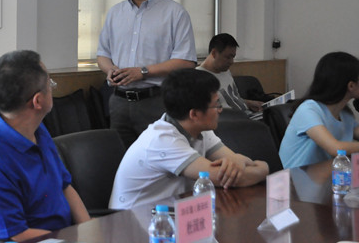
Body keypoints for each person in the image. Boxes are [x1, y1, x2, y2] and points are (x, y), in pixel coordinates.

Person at [0, 50, 90, 242]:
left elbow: (64, 186)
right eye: (50, 84)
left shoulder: (37, 130)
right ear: (38, 101)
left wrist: (89, 229)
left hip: (65, 236)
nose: (52, 88)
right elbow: (16, 235)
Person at [109, 68, 269, 210]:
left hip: (170, 212)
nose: (220, 110)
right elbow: (226, 178)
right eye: (216, 105)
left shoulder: (198, 128)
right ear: (194, 114)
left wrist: (239, 162)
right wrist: (264, 167)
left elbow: (235, 165)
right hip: (132, 221)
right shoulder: (163, 140)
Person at [97, 0, 197, 147]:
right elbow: (103, 54)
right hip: (119, 102)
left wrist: (143, 72)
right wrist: (110, 70)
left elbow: (186, 61)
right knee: (122, 159)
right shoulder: (115, 13)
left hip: (157, 101)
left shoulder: (174, 13)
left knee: (162, 156)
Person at [279, 52, 359, 168]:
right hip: (294, 177)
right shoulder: (309, 110)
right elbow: (335, 148)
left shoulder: (344, 114)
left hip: (327, 176)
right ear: (351, 86)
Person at [197, 33, 263, 115]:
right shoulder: (198, 78)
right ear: (214, 53)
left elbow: (233, 99)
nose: (232, 62)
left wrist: (249, 103)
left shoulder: (225, 70)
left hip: (246, 116)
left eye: (233, 57)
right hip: (231, 121)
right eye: (228, 57)